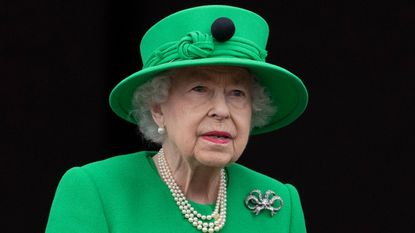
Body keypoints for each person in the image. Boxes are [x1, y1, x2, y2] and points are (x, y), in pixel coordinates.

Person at [45, 4, 308, 233]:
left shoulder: (279, 203)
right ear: (158, 108)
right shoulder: (95, 190)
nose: (222, 110)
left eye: (237, 93)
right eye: (199, 89)